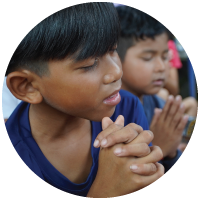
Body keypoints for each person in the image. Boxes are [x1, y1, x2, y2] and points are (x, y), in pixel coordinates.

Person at [4, 3, 164, 198]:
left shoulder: (126, 107)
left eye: (113, 50)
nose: (116, 72)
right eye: (90, 64)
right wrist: (104, 191)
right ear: (27, 86)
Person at [116, 5, 189, 172]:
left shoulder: (158, 104)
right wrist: (157, 148)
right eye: (148, 57)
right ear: (116, 57)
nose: (161, 67)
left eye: (165, 57)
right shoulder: (109, 112)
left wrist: (171, 152)